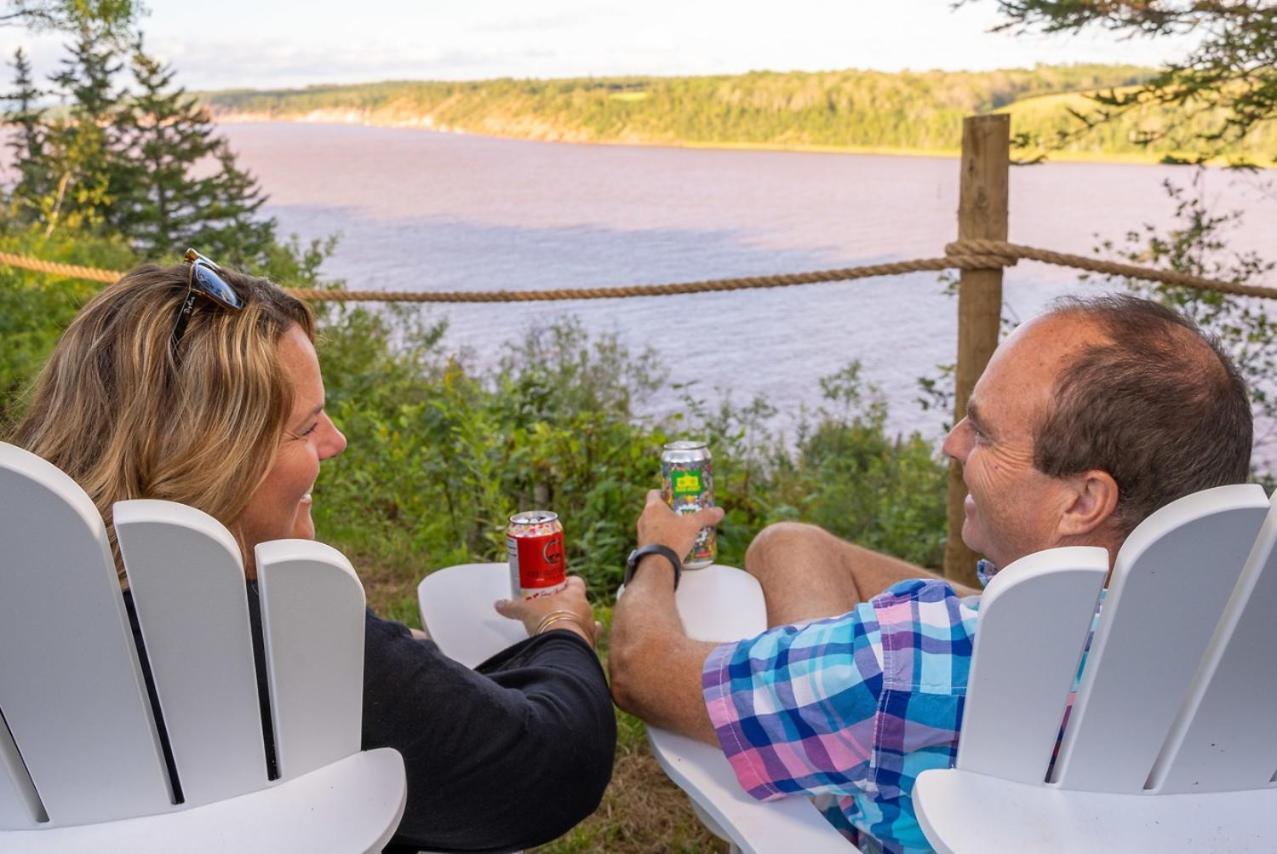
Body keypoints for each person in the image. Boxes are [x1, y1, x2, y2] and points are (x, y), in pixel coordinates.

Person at [7, 251, 616, 853]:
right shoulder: (286, 634)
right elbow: (551, 764)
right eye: (305, 428)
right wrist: (563, 628)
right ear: (207, 462)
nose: (336, 441)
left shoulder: (25, 606)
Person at [608, 294, 1253, 854]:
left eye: (986, 434)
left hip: (862, 822)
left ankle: (821, 718)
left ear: (1083, 502)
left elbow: (641, 668)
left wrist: (657, 554)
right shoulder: (1244, 639)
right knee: (788, 544)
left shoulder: (910, 658)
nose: (952, 443)